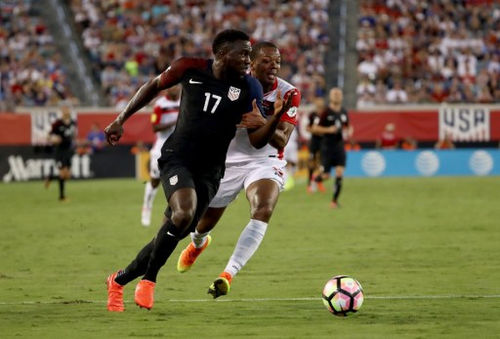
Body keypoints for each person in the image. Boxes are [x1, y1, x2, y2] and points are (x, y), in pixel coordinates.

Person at [104, 30, 292, 312]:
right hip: (178, 158)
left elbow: (256, 140)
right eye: (242, 53)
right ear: (221, 54)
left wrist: (273, 116)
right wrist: (121, 119)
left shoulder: (249, 88)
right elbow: (154, 86)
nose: (247, 59)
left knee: (172, 231)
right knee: (183, 213)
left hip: (213, 171)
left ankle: (118, 281)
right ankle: (149, 281)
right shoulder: (188, 67)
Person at [175, 41, 301, 298]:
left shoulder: (288, 94)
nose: (274, 66)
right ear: (251, 63)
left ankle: (227, 274)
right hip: (227, 160)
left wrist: (265, 120)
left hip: (265, 161)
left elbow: (282, 140)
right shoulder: (232, 86)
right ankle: (198, 243)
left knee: (263, 208)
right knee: (202, 224)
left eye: (277, 61)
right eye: (267, 61)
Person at [141, 85, 181, 227]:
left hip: (180, 146)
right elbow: (155, 127)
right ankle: (147, 207)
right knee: (155, 180)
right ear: (167, 89)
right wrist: (173, 123)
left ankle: (178, 212)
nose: (175, 89)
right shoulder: (160, 104)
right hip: (162, 146)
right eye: (173, 87)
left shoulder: (185, 101)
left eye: (178, 86)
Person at [311, 88, 352, 209]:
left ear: (342, 97)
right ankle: (315, 178)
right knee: (326, 176)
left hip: (339, 147)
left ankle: (334, 201)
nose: (337, 96)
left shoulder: (344, 112)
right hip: (327, 147)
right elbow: (315, 128)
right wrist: (328, 130)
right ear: (330, 96)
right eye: (334, 94)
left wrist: (349, 131)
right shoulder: (325, 112)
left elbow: (348, 126)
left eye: (339, 94)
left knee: (339, 173)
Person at [44, 105, 77, 201]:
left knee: (68, 175)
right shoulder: (57, 124)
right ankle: (61, 197)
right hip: (60, 151)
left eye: (67, 109)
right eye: (64, 110)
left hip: (68, 151)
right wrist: (53, 139)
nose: (66, 111)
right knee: (62, 174)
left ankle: (50, 178)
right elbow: (48, 136)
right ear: (62, 112)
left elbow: (73, 134)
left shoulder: (72, 123)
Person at [306, 97, 326, 193]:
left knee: (322, 163)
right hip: (314, 141)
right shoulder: (312, 115)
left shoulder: (326, 114)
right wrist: (314, 130)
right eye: (317, 101)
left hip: (324, 141)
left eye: (321, 101)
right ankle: (310, 183)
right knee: (312, 163)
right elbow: (308, 127)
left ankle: (319, 182)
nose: (319, 103)